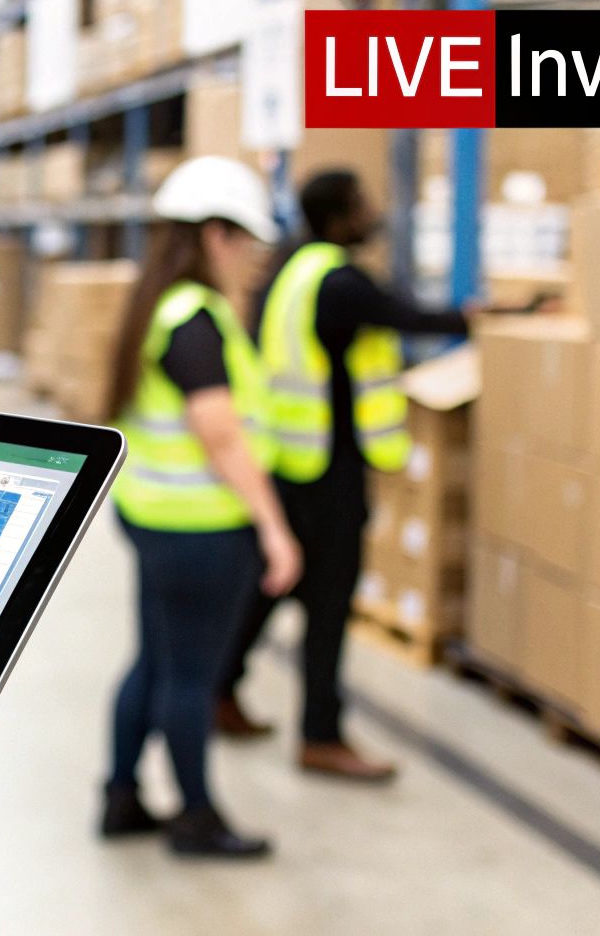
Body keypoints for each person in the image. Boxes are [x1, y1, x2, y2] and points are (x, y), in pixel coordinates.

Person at [215, 169, 471, 782]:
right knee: (328, 606)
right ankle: (321, 736)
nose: (372, 212)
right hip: (327, 469)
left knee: (270, 583)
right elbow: (405, 316)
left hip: (288, 458)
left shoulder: (289, 267)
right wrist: (482, 317)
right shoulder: (336, 277)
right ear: (337, 215)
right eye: (362, 204)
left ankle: (218, 690)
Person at [101, 157, 304, 859]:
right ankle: (196, 818)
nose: (251, 260)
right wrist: (276, 530)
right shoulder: (196, 319)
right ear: (217, 234)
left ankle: (122, 798)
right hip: (199, 527)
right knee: (190, 675)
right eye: (247, 242)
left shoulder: (157, 303)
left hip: (154, 515)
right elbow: (220, 434)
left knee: (154, 662)